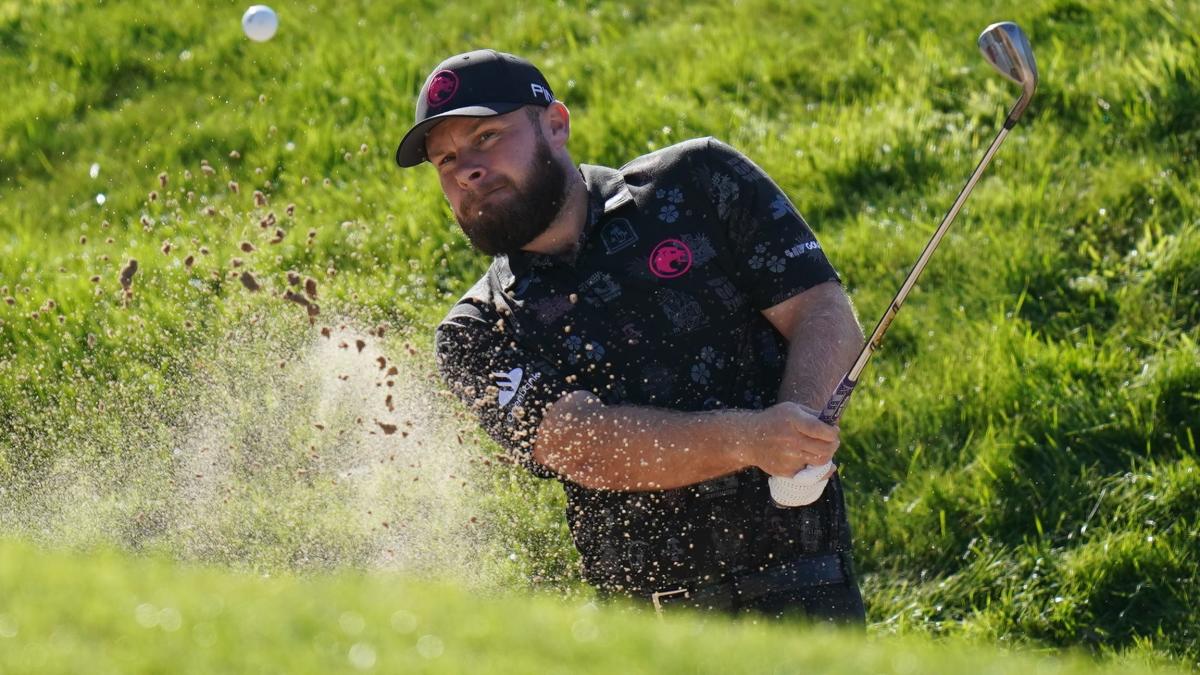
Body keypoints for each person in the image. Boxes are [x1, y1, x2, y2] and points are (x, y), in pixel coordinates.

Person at [395, 49, 867, 623]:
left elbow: (818, 306)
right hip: (652, 627)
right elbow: (583, 446)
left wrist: (799, 421)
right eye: (444, 160)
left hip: (808, 589)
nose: (465, 168)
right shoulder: (476, 333)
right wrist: (754, 439)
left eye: (487, 137)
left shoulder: (699, 182)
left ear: (556, 124)